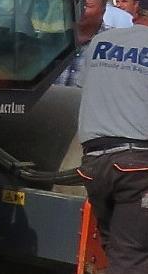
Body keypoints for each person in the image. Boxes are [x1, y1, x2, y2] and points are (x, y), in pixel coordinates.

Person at [75, 21, 148, 273]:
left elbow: (86, 86)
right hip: (137, 167)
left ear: (137, 11)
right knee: (131, 254)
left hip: (94, 165)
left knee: (115, 248)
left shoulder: (100, 41)